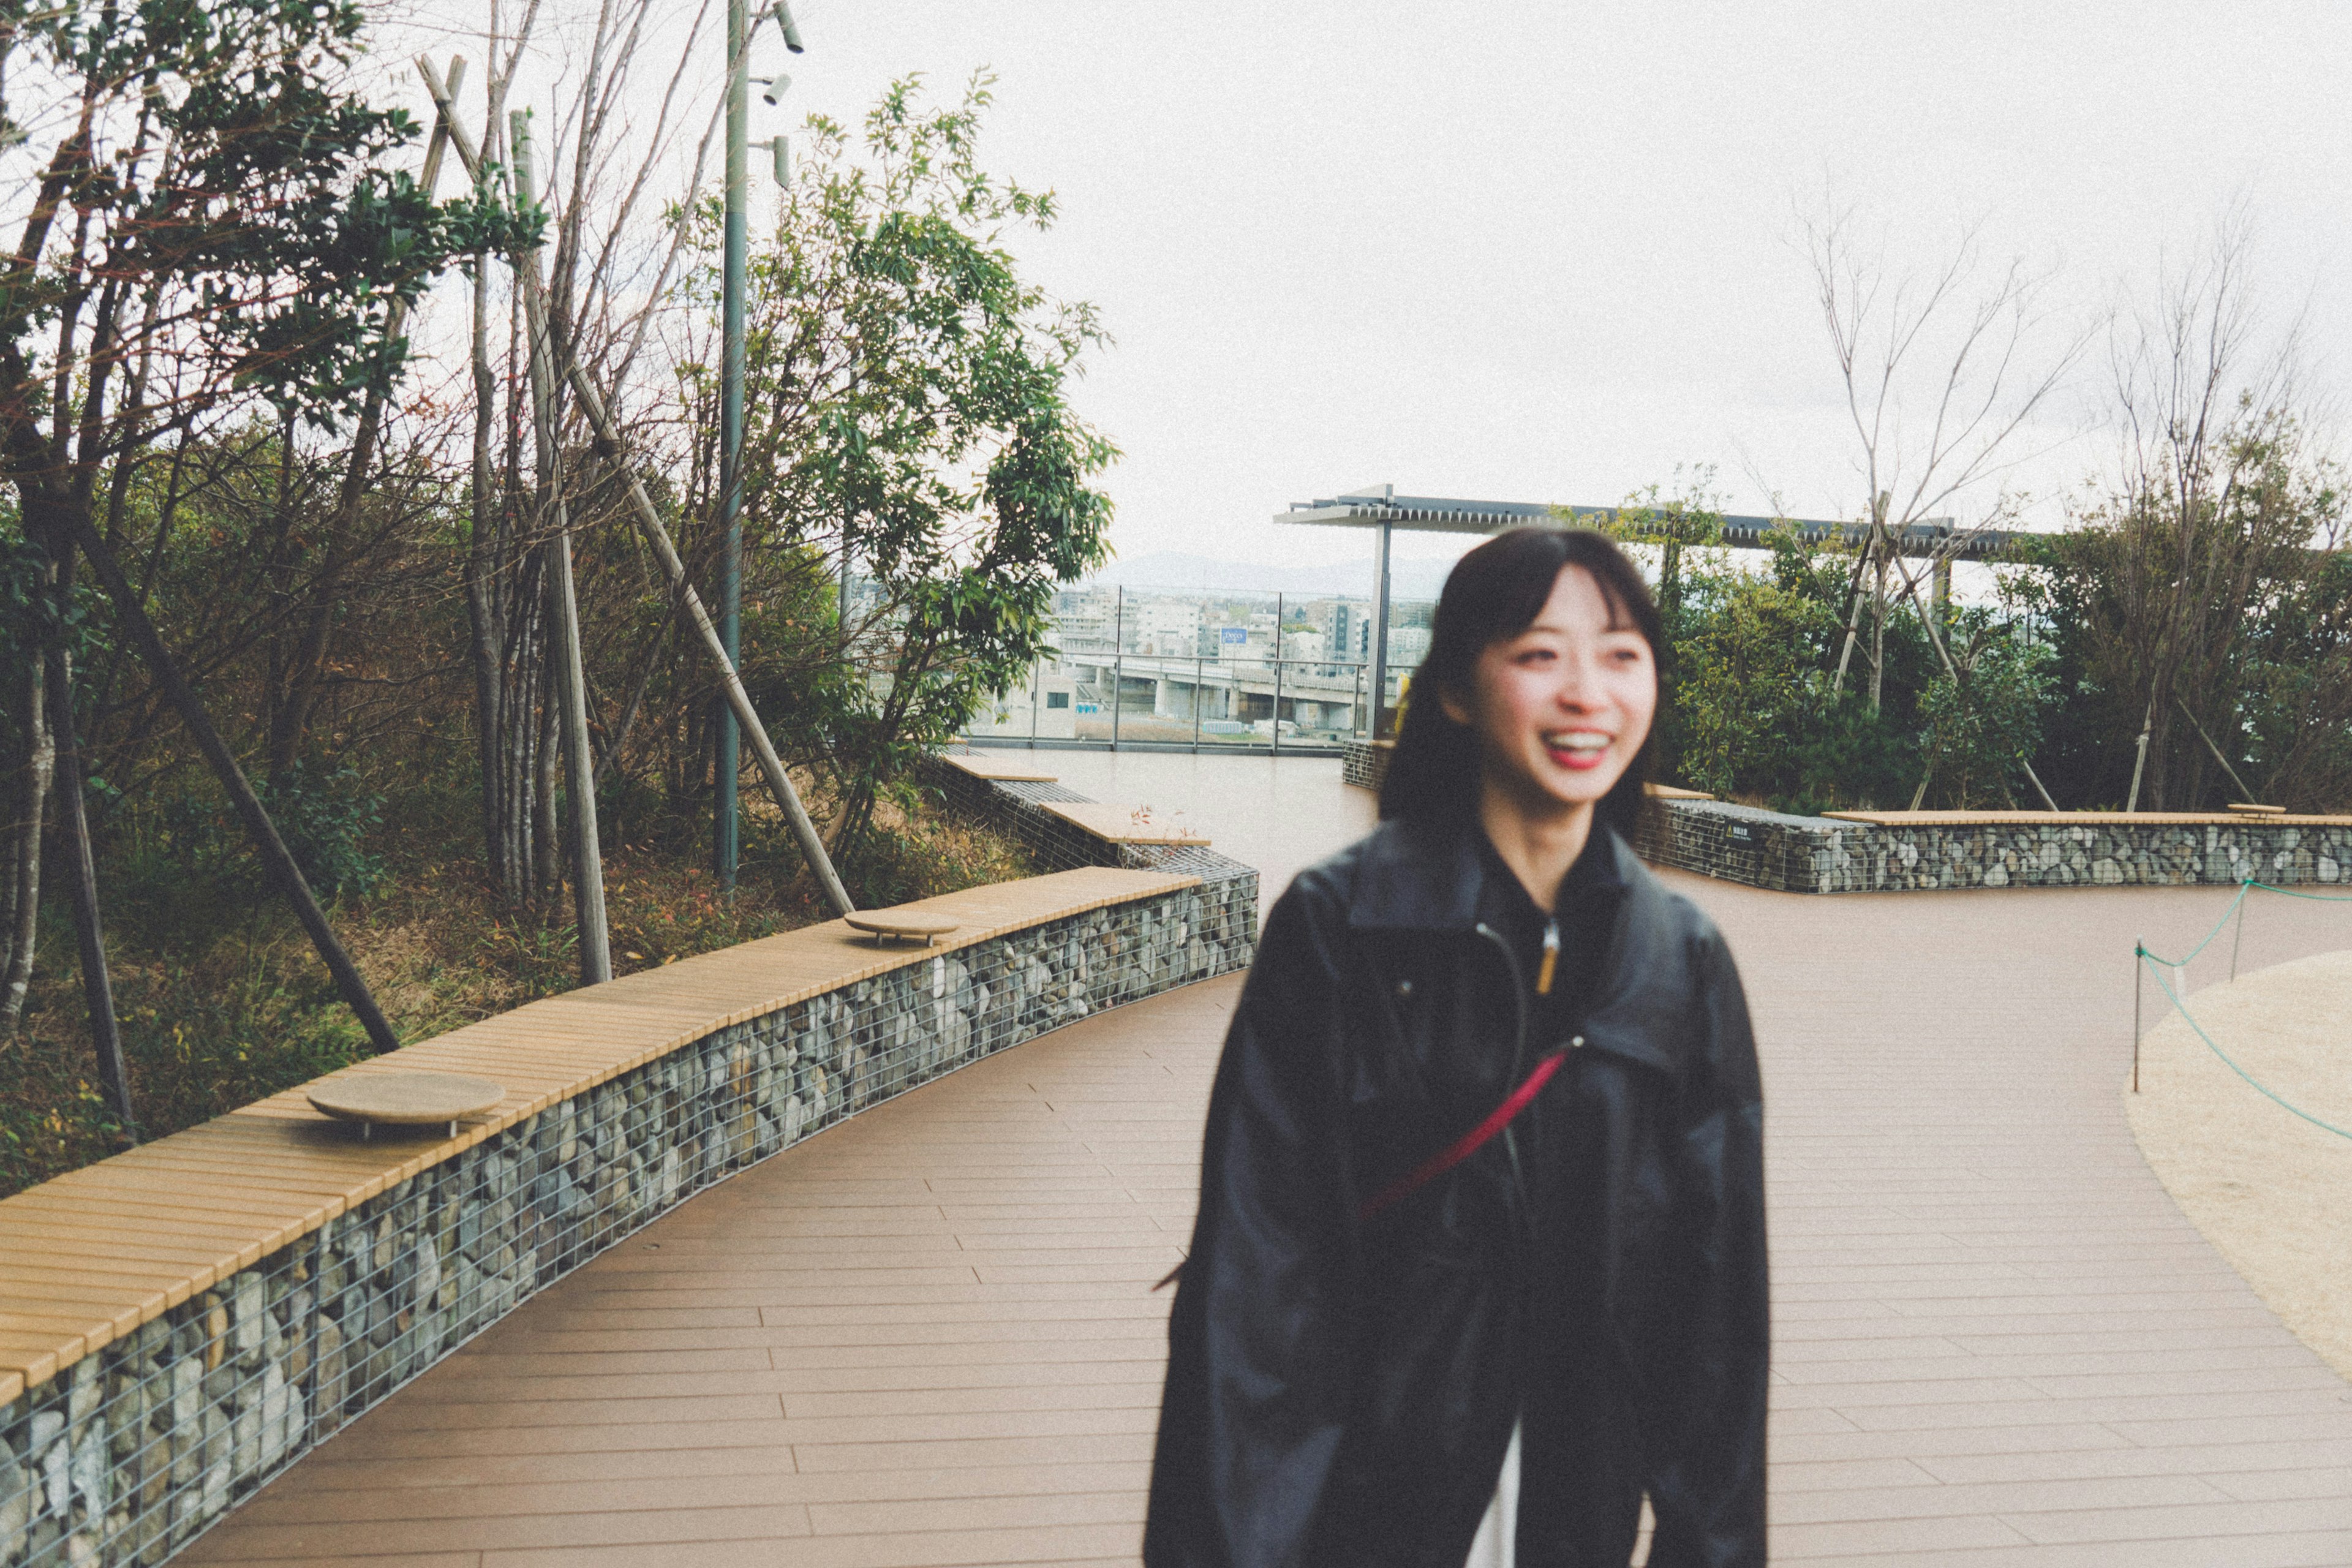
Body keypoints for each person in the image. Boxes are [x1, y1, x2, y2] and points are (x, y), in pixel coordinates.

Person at [1144, 527, 1768, 1568]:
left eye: (1621, 655)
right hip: (1361, 1503)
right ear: (1455, 691)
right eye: (1538, 655)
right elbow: (1257, 1285)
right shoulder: (1342, 929)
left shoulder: (1680, 962)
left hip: (1576, 1504)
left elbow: (1716, 1324)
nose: (1586, 692)